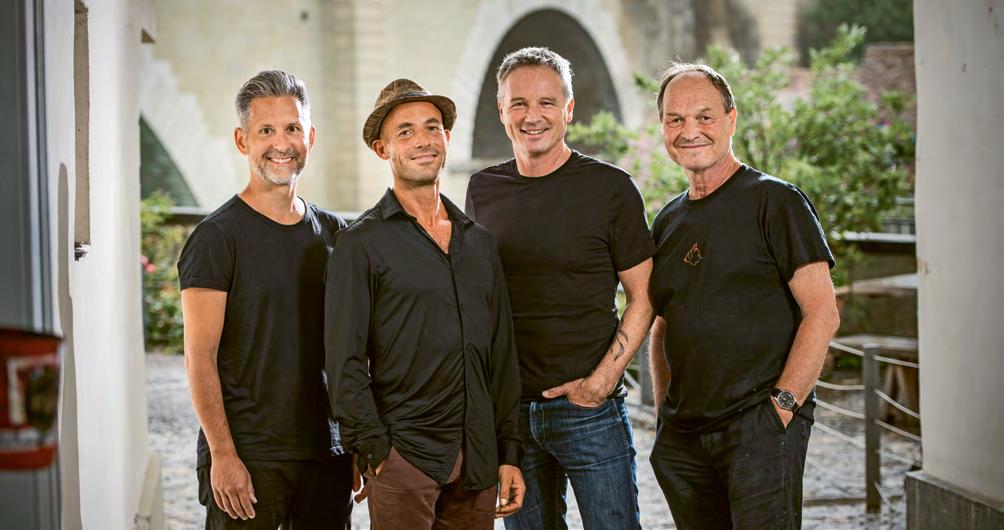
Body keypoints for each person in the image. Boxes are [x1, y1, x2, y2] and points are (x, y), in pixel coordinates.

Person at [466, 47, 654, 530]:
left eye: (547, 102)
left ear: (568, 109)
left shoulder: (611, 189)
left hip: (589, 410)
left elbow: (645, 295)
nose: (533, 116)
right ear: (501, 111)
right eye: (519, 103)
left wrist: (602, 382)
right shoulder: (483, 189)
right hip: (512, 416)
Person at [647, 62, 842, 530]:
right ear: (663, 128)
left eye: (704, 117)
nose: (689, 131)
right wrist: (664, 419)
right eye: (676, 119)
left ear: (731, 120)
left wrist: (782, 409)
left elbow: (823, 313)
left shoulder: (777, 202)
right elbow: (662, 325)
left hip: (759, 426)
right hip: (685, 440)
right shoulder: (667, 222)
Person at [325, 78, 525, 530]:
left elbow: (502, 356)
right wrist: (376, 450)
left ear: (447, 138)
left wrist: (509, 451)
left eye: (432, 127)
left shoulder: (479, 243)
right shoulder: (360, 244)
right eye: (406, 131)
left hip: (478, 459)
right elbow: (344, 361)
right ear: (382, 149)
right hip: (404, 458)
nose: (423, 140)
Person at [178, 70, 354, 529]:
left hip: (326, 452)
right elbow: (200, 357)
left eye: (292, 128)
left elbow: (350, 350)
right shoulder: (216, 239)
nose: (281, 143)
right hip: (249, 455)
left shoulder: (337, 234)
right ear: (243, 141)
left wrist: (355, 442)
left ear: (310, 137)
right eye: (266, 131)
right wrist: (222, 455)